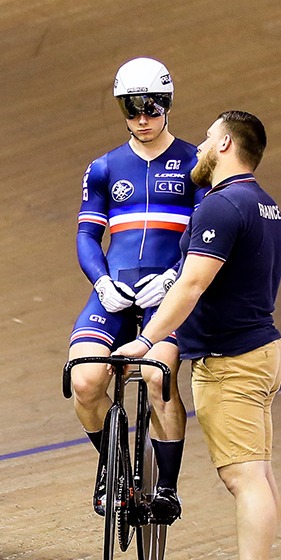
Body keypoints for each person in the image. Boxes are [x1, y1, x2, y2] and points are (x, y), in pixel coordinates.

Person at [125, 110, 281, 560]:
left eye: (208, 138)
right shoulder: (265, 204)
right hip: (262, 349)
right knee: (258, 472)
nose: (198, 148)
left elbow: (190, 285)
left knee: (244, 478)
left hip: (234, 361)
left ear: (225, 145)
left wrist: (147, 339)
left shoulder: (220, 205)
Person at [67, 58, 197, 530]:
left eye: (153, 106)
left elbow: (205, 233)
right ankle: (116, 468)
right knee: (84, 382)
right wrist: (101, 281)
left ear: (168, 103)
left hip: (168, 291)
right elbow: (87, 236)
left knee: (159, 377)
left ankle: (166, 488)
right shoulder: (103, 167)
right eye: (132, 108)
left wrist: (176, 276)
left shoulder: (195, 162)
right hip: (116, 287)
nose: (143, 118)